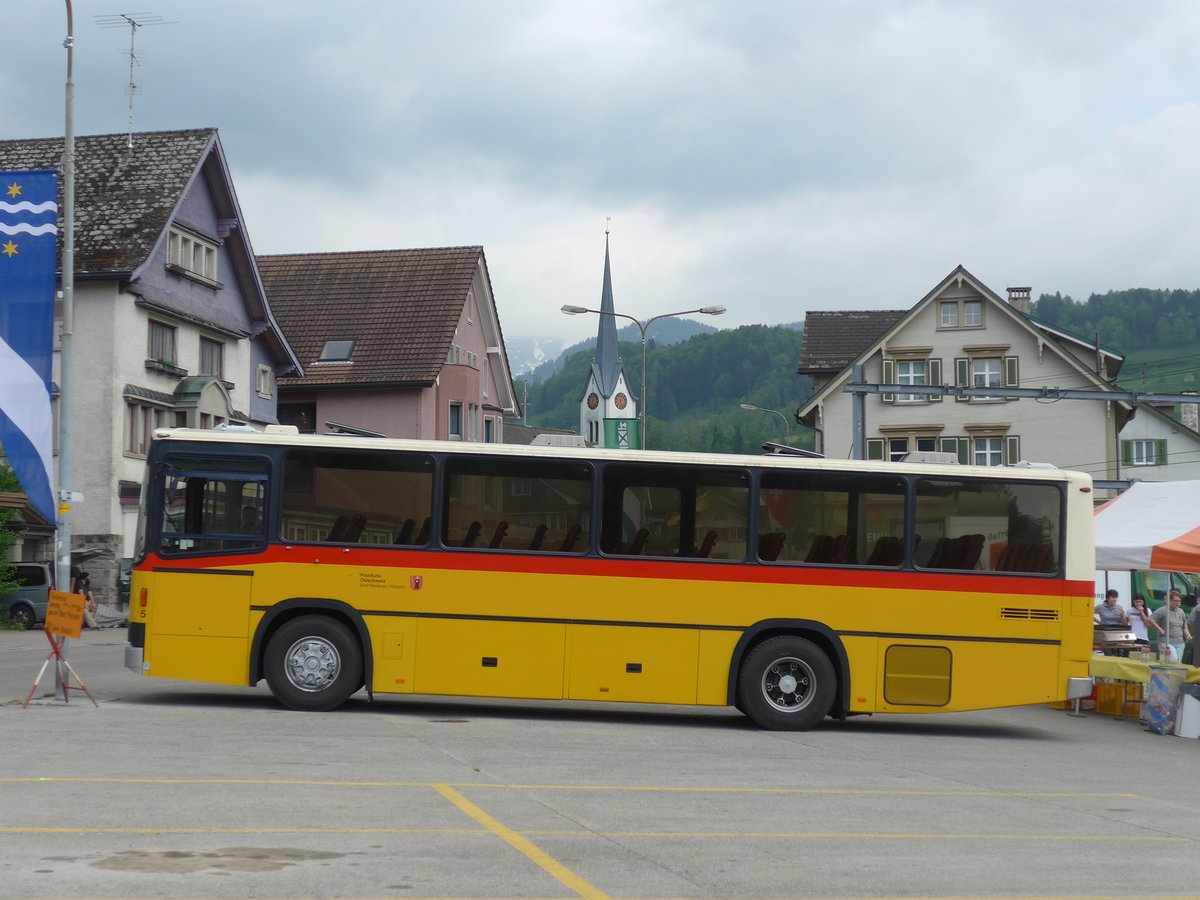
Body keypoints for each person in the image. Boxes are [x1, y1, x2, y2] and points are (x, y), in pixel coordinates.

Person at [1150, 590, 1192, 663]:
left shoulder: (1181, 611)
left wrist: (1188, 634)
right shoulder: (1163, 610)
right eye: (1175, 601)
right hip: (1166, 641)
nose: (1178, 603)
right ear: (1170, 600)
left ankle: (1172, 674)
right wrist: (1160, 629)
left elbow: (1184, 627)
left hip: (1179, 642)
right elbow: (1150, 619)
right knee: (1174, 659)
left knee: (1178, 662)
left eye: (1179, 601)